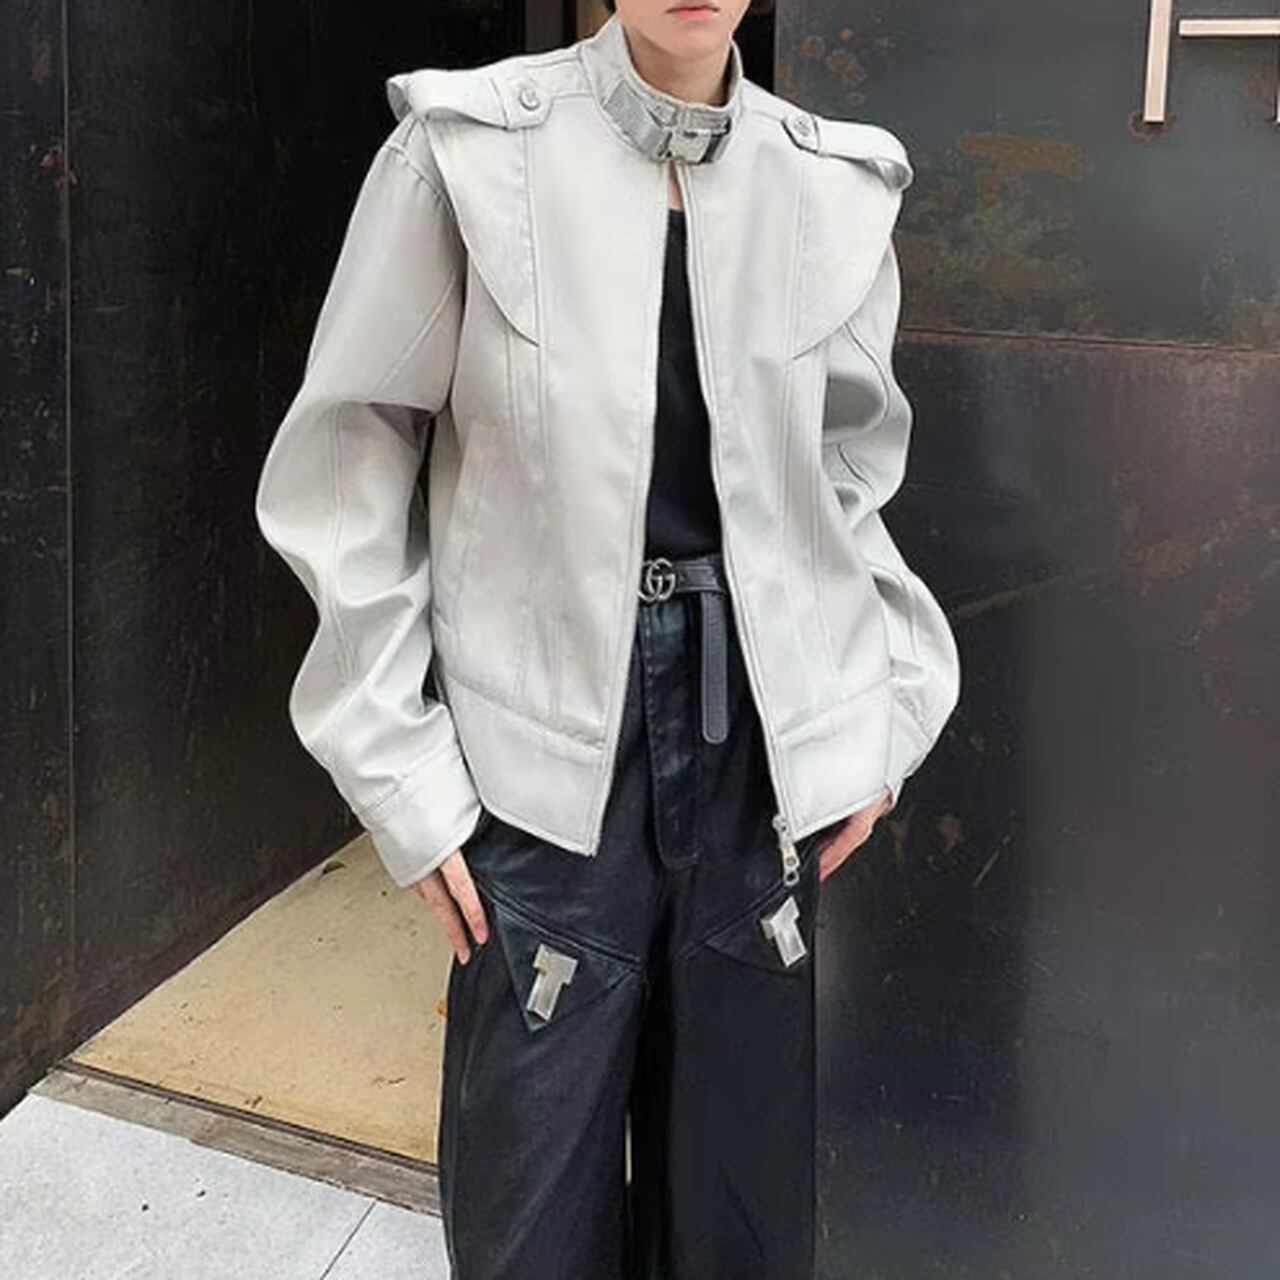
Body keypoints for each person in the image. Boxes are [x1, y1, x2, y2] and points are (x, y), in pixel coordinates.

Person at [254, 2, 960, 1276]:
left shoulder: (833, 185)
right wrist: (398, 770)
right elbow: (348, 459)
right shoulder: (465, 152)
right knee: (529, 1213)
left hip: (755, 765)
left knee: (737, 1219)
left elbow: (847, 481)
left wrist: (881, 708)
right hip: (538, 763)